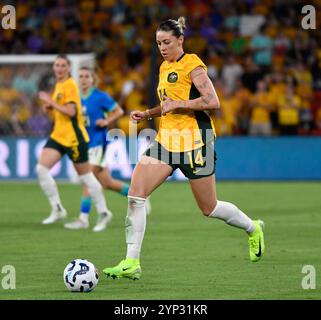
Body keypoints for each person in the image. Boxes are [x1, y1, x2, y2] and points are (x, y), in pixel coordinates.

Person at [103, 17, 265, 280]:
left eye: (167, 42)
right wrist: (148, 113)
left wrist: (179, 105)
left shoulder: (193, 65)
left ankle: (253, 227)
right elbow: (168, 104)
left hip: (197, 142)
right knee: (136, 194)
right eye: (158, 43)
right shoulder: (164, 67)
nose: (163, 48)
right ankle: (131, 262)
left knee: (209, 208)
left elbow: (213, 102)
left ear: (180, 40)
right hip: (167, 141)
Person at [36, 55, 112, 229]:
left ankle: (104, 212)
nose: (60, 68)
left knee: (86, 177)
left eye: (63, 65)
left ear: (69, 68)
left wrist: (50, 102)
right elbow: (59, 109)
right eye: (57, 65)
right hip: (58, 136)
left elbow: (71, 112)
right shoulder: (59, 85)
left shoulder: (70, 85)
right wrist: (50, 106)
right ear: (54, 68)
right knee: (41, 169)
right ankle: (57, 208)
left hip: (74, 139)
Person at [64, 67, 129, 231]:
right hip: (83, 144)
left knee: (87, 178)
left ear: (93, 79)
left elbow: (119, 111)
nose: (84, 79)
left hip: (98, 143)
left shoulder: (100, 97)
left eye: (87, 76)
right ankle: (138, 196)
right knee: (106, 182)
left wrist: (107, 122)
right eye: (81, 76)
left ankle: (84, 218)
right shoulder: (75, 98)